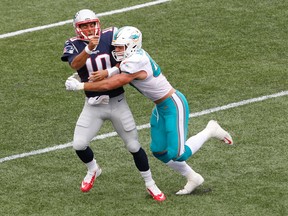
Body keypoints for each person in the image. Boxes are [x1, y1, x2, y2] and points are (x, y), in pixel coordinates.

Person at [65, 26, 234, 195]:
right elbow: (119, 67)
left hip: (174, 104)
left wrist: (81, 85)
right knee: (159, 151)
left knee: (178, 154)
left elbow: (112, 83)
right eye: (115, 46)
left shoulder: (135, 61)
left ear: (132, 46)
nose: (115, 50)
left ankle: (210, 130)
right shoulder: (133, 56)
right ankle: (193, 177)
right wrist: (107, 71)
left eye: (119, 47)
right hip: (160, 107)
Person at [61, 11, 165, 201]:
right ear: (77, 28)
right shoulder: (73, 44)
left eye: (91, 24)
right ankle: (93, 169)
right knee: (79, 144)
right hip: (93, 104)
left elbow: (127, 57)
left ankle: (151, 183)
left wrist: (106, 73)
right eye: (84, 26)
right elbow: (75, 65)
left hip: (117, 102)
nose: (89, 29)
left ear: (97, 23)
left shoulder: (111, 36)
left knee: (134, 146)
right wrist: (88, 51)